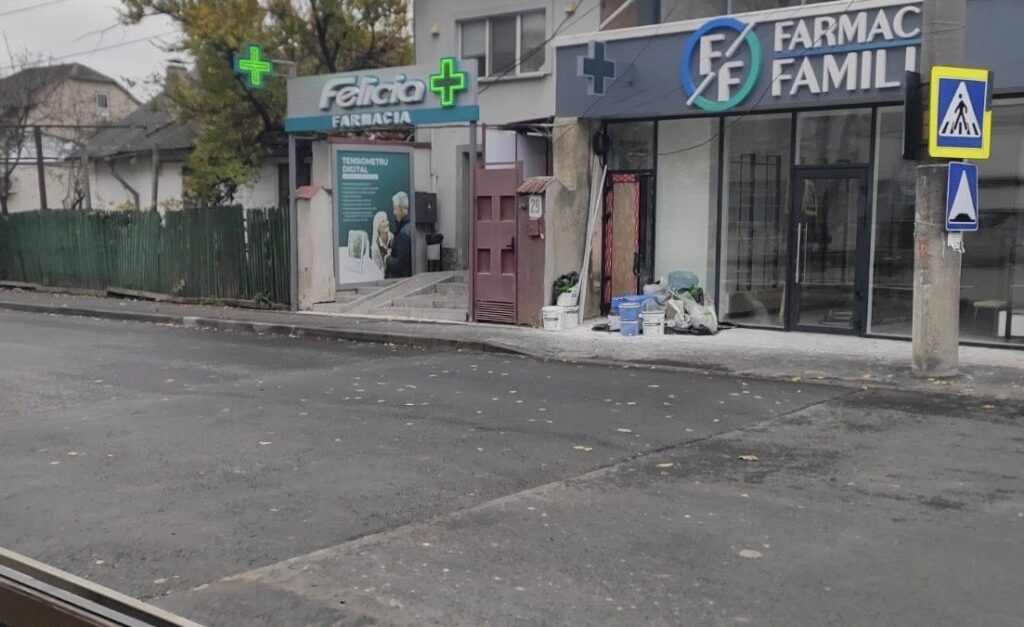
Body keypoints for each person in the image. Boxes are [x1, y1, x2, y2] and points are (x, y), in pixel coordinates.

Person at [385, 191, 413, 278]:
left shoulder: (403, 233)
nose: (394, 212)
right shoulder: (410, 227)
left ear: (400, 209)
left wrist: (387, 259)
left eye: (395, 208)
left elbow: (399, 265)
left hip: (401, 281)